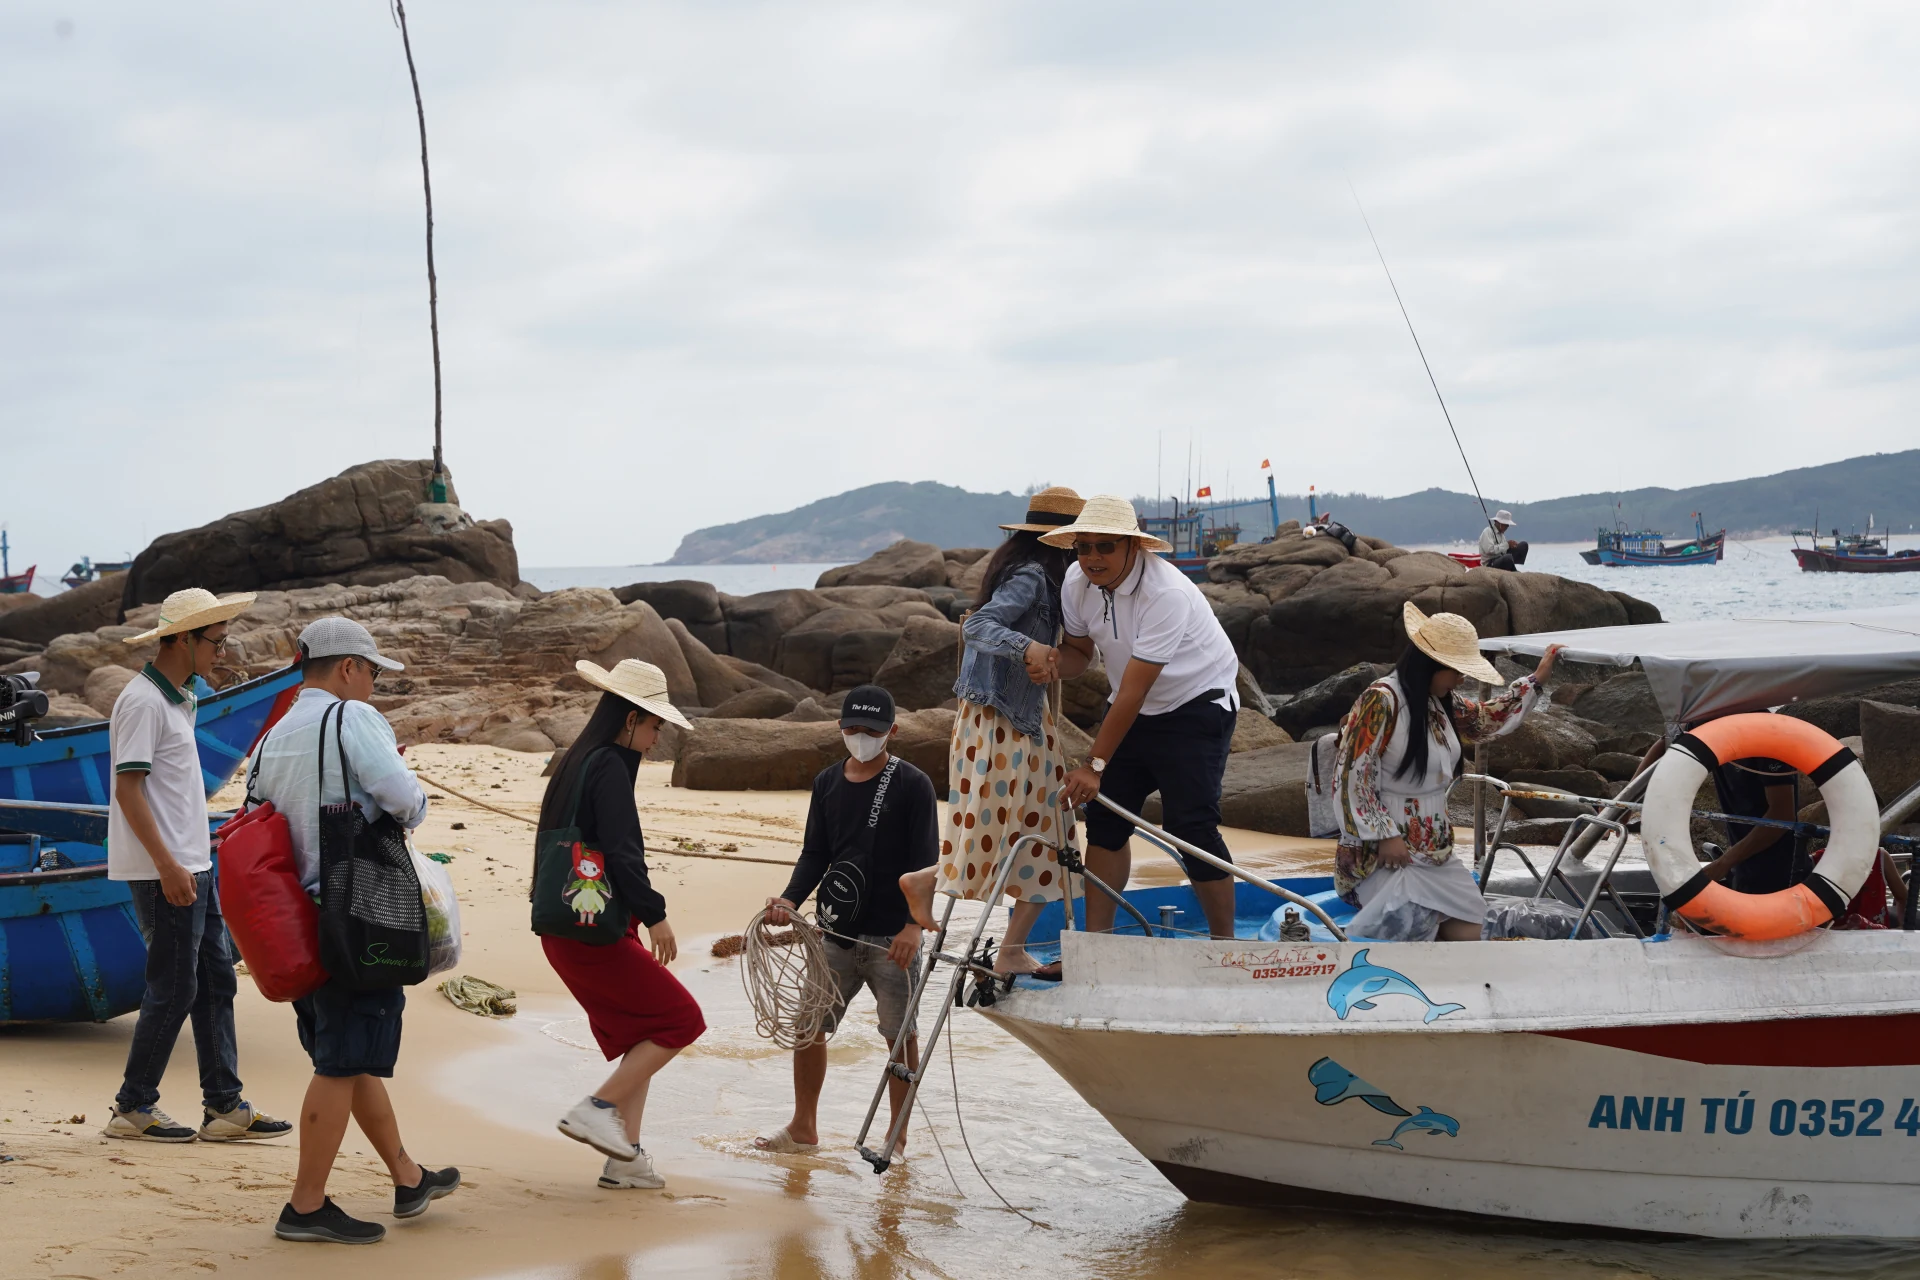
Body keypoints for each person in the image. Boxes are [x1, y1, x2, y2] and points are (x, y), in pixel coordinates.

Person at [250, 617, 457, 1245]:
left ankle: (407, 1176)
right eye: (371, 672)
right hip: (358, 915)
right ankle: (305, 1208)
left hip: (297, 917)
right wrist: (416, 801)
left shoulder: (275, 733)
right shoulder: (352, 718)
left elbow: (260, 813)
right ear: (347, 668)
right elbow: (403, 800)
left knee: (347, 1052)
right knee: (341, 1062)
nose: (372, 684)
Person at [103, 588, 292, 1146]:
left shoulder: (179, 699)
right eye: (216, 640)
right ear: (183, 639)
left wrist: (193, 855)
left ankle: (225, 1106)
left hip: (192, 862)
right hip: (168, 869)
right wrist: (166, 865)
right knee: (174, 986)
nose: (222, 651)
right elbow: (128, 790)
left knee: (213, 981)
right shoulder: (142, 701)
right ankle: (133, 1107)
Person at [899, 486, 1085, 979]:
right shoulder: (1030, 576)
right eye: (1080, 542)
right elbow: (978, 626)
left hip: (1022, 720)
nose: (1085, 552)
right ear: (1060, 542)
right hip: (998, 718)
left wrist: (1052, 659)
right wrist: (1027, 647)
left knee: (1049, 835)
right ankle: (927, 881)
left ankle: (1010, 949)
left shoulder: (1049, 579)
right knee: (1000, 830)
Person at [1042, 495, 1246, 940]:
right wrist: (1051, 661)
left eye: (1106, 546)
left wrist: (1095, 765)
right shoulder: (1076, 582)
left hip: (1197, 702)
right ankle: (1096, 943)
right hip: (1133, 704)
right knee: (1106, 821)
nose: (1093, 557)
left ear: (1133, 547)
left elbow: (1135, 690)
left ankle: (1224, 945)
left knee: (1190, 825)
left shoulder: (1165, 592)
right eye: (1084, 546)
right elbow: (1081, 654)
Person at [542, 659, 706, 1192]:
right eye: (656, 724)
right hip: (592, 933)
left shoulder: (577, 760)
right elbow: (619, 850)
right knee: (682, 1018)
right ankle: (597, 1109)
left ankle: (625, 1159)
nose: (659, 737)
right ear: (631, 719)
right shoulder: (609, 765)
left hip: (565, 926)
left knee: (644, 1032)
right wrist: (656, 915)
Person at [757, 685, 937, 1155]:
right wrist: (792, 900)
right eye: (853, 729)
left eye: (872, 731)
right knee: (807, 1026)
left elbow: (926, 863)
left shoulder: (913, 784)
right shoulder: (827, 783)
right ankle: (803, 1129)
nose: (861, 737)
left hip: (892, 938)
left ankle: (895, 1138)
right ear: (840, 728)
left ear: (892, 731)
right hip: (834, 931)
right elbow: (815, 852)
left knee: (900, 1034)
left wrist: (914, 926)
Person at [1334, 604, 1562, 941]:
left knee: (1470, 926)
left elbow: (1485, 719)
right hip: (1384, 852)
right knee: (1412, 929)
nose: (1463, 678)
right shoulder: (1380, 700)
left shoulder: (1438, 701)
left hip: (1434, 848)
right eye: (1456, 670)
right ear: (1430, 665)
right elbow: (1352, 773)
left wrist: (1535, 681)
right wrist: (1383, 835)